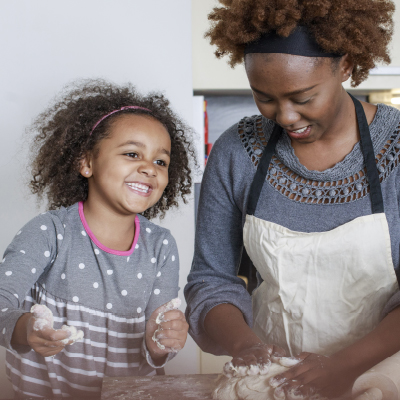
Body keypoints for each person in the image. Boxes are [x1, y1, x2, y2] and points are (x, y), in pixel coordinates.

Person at [185, 0, 400, 397]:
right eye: (264, 97)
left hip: (382, 376)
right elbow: (210, 281)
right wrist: (247, 348)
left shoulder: (397, 148)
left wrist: (342, 367)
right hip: (277, 380)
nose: (284, 116)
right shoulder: (237, 152)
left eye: (302, 98)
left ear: (347, 65)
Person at [0, 79, 195, 398]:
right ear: (86, 162)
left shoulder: (161, 245)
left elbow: (157, 347)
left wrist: (162, 341)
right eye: (133, 154)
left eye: (161, 161)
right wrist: (24, 329)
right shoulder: (49, 232)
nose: (149, 168)